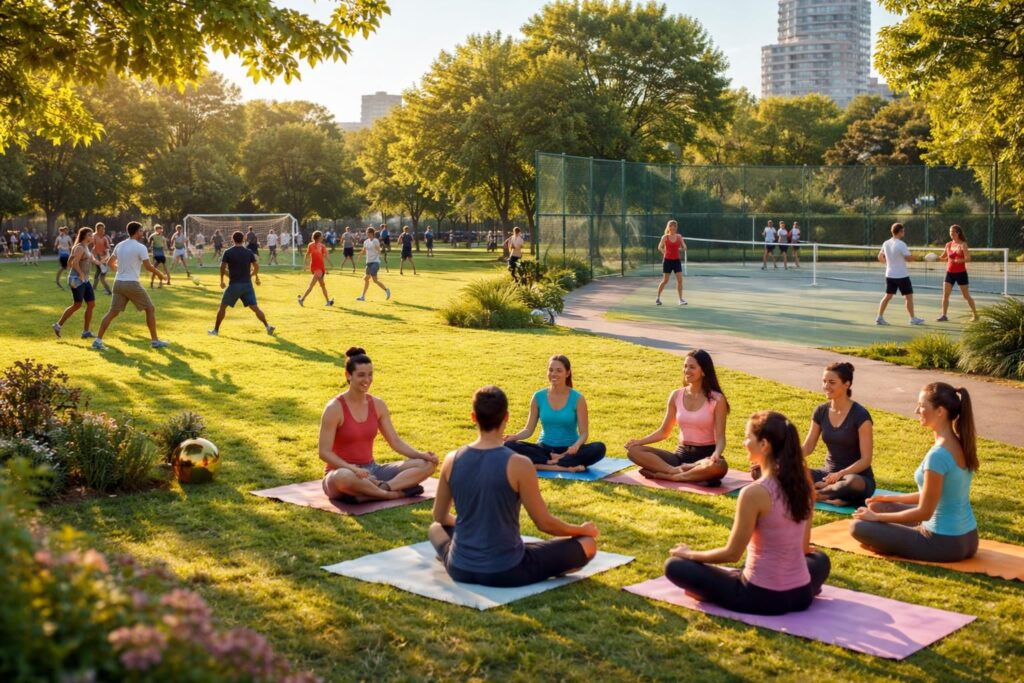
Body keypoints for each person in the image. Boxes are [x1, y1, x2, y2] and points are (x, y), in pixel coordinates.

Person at [429, 385, 599, 587]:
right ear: (506, 417)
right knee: (588, 545)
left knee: (435, 528)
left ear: (473, 417)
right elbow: (544, 524)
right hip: (508, 569)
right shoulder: (519, 464)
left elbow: (439, 517)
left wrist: (474, 527)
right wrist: (581, 530)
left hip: (460, 567)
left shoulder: (451, 460)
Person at [663, 411, 831, 616]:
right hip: (800, 594)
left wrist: (688, 554)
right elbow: (804, 548)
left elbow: (732, 554)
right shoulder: (803, 485)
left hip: (761, 597)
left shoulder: (755, 492)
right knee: (820, 559)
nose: (744, 442)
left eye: (747, 437)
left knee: (675, 566)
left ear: (764, 445)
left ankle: (712, 589)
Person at [851, 383, 978, 562]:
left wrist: (876, 518)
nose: (916, 410)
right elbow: (932, 494)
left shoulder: (938, 454)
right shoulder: (959, 443)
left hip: (942, 543)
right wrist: (890, 498)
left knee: (858, 526)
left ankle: (889, 542)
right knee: (877, 505)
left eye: (922, 406)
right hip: (969, 539)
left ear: (940, 411)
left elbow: (924, 512)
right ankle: (889, 535)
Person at [319, 347, 437, 502]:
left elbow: (395, 441)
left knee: (426, 464)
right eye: (361, 375)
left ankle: (377, 490)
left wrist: (420, 454)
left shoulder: (378, 404)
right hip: (341, 472)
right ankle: (392, 494)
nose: (367, 380)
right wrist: (351, 468)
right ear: (348, 375)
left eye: (370, 374)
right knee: (344, 477)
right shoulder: (334, 408)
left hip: (372, 470)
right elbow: (324, 452)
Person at [625, 349, 730, 485]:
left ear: (703, 371)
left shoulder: (717, 399)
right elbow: (664, 432)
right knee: (633, 452)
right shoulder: (676, 395)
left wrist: (716, 454)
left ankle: (670, 476)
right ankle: (674, 471)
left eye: (692, 367)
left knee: (720, 466)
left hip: (705, 457)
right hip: (681, 456)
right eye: (685, 366)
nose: (686, 370)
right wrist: (639, 442)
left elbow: (720, 437)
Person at [504, 355, 607, 472]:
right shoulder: (538, 397)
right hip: (544, 450)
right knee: (508, 446)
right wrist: (515, 437)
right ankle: (556, 465)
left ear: (567, 373)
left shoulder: (578, 399)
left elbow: (584, 433)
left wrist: (576, 446)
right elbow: (528, 429)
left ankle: (547, 464)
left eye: (559, 371)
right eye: (551, 370)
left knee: (599, 448)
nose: (554, 374)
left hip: (569, 451)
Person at [801, 362, 875, 506]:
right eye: (824, 381)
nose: (826, 386)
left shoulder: (861, 416)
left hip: (855, 477)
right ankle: (834, 496)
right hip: (826, 476)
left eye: (832, 382)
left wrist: (841, 474)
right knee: (772, 471)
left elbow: (866, 460)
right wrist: (779, 460)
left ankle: (815, 494)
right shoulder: (821, 411)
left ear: (846, 384)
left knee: (853, 483)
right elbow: (808, 446)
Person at [92, 221, 170, 350]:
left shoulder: (120, 245)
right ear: (136, 232)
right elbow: (148, 266)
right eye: (141, 230)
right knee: (150, 309)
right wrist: (161, 275)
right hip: (131, 283)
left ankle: (98, 340)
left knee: (112, 312)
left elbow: (111, 264)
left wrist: (121, 270)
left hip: (118, 283)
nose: (142, 232)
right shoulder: (140, 247)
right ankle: (155, 341)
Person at [210, 231, 274, 336]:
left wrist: (222, 280)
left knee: (222, 307)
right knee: (255, 308)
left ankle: (215, 331)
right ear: (243, 239)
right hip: (247, 286)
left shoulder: (228, 252)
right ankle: (268, 327)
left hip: (234, 285)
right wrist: (252, 275)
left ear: (232, 239)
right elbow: (256, 267)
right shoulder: (249, 252)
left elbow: (222, 267)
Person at [53, 227, 103, 339]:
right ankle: (58, 325)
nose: (92, 236)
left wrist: (100, 262)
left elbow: (83, 259)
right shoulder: (79, 247)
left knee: (91, 304)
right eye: (90, 235)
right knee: (77, 304)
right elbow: (74, 262)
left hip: (84, 279)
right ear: (84, 236)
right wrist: (79, 272)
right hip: (76, 279)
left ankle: (86, 331)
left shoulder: (86, 247)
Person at [876, 222, 924, 326]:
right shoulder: (901, 244)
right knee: (908, 297)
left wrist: (888, 264)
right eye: (903, 231)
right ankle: (912, 318)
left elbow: (880, 257)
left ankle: (879, 317)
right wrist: (919, 257)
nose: (904, 232)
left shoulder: (886, 243)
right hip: (902, 276)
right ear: (900, 232)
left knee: (887, 296)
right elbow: (908, 258)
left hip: (889, 275)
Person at [938, 224, 978, 322]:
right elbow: (943, 257)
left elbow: (968, 258)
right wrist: (934, 257)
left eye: (953, 232)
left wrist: (960, 261)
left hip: (961, 273)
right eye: (950, 232)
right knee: (945, 295)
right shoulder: (948, 244)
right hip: (950, 273)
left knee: (966, 296)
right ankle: (944, 315)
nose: (951, 234)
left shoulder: (963, 244)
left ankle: (975, 315)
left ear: (958, 233)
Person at [297, 230, 334, 307]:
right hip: (314, 268)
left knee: (321, 285)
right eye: (321, 237)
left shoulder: (322, 246)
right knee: (313, 285)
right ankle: (302, 300)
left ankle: (328, 302)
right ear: (317, 238)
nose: (322, 238)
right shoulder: (310, 245)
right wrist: (305, 264)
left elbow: (326, 255)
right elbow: (307, 255)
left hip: (320, 268)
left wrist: (330, 264)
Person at [655, 219, 687, 306]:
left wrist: (681, 249)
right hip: (667, 261)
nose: (672, 228)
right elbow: (659, 247)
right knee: (665, 280)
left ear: (676, 228)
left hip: (676, 261)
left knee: (680, 280)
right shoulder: (664, 237)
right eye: (671, 226)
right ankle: (658, 298)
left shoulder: (679, 237)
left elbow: (684, 247)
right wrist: (664, 252)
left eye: (674, 226)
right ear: (668, 227)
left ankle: (680, 300)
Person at [356, 227, 390, 302]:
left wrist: (379, 251)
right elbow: (364, 250)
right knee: (371, 280)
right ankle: (363, 296)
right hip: (368, 262)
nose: (367, 234)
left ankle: (386, 290)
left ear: (372, 233)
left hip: (375, 262)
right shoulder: (366, 241)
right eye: (366, 233)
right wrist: (360, 255)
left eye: (368, 233)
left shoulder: (375, 241)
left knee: (370, 278)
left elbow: (379, 250)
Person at [91, 223, 112, 295]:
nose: (103, 230)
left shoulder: (104, 238)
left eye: (104, 229)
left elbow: (108, 248)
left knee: (100, 274)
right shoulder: (93, 237)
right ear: (97, 229)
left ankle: (94, 288)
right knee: (100, 274)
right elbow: (90, 247)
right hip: (97, 258)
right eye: (102, 229)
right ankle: (107, 290)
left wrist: (106, 252)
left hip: (103, 259)